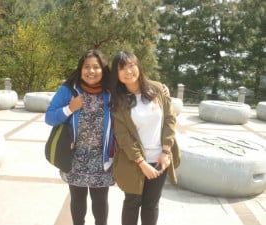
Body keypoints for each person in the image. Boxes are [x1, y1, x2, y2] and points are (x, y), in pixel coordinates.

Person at [109, 50, 180, 225]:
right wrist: (142, 163)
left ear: (138, 66)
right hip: (133, 161)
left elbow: (170, 119)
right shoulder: (118, 100)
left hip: (160, 159)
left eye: (131, 65)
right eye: (122, 68)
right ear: (117, 74)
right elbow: (123, 136)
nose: (128, 71)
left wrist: (165, 151)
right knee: (132, 203)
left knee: (151, 205)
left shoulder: (156, 89)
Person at [45, 49, 114, 225]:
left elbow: (134, 82)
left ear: (103, 69)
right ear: (80, 69)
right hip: (75, 157)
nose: (91, 71)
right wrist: (70, 109)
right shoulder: (69, 90)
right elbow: (49, 117)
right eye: (87, 67)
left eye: (96, 67)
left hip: (102, 159)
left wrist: (159, 89)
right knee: (77, 200)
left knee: (100, 201)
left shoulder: (111, 91)